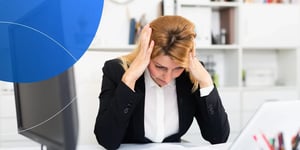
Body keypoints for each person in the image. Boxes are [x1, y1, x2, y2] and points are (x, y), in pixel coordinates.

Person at [94, 15, 230, 150]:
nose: (167, 78)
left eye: (178, 68)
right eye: (160, 67)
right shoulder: (116, 70)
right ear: (146, 53)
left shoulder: (191, 74)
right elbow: (107, 140)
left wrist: (206, 82)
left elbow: (218, 138)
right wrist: (129, 80)